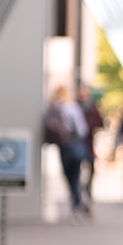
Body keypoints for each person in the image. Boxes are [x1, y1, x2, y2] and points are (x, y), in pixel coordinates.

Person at [47, 85, 91, 221]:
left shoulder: (51, 108)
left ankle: (76, 202)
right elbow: (82, 129)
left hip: (62, 145)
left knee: (68, 175)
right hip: (74, 143)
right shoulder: (72, 107)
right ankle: (78, 203)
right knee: (75, 175)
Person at [77, 83, 104, 200]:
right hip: (77, 142)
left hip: (88, 142)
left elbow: (100, 122)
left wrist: (89, 126)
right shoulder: (75, 106)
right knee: (78, 167)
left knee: (91, 167)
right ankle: (78, 190)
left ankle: (86, 188)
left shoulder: (92, 108)